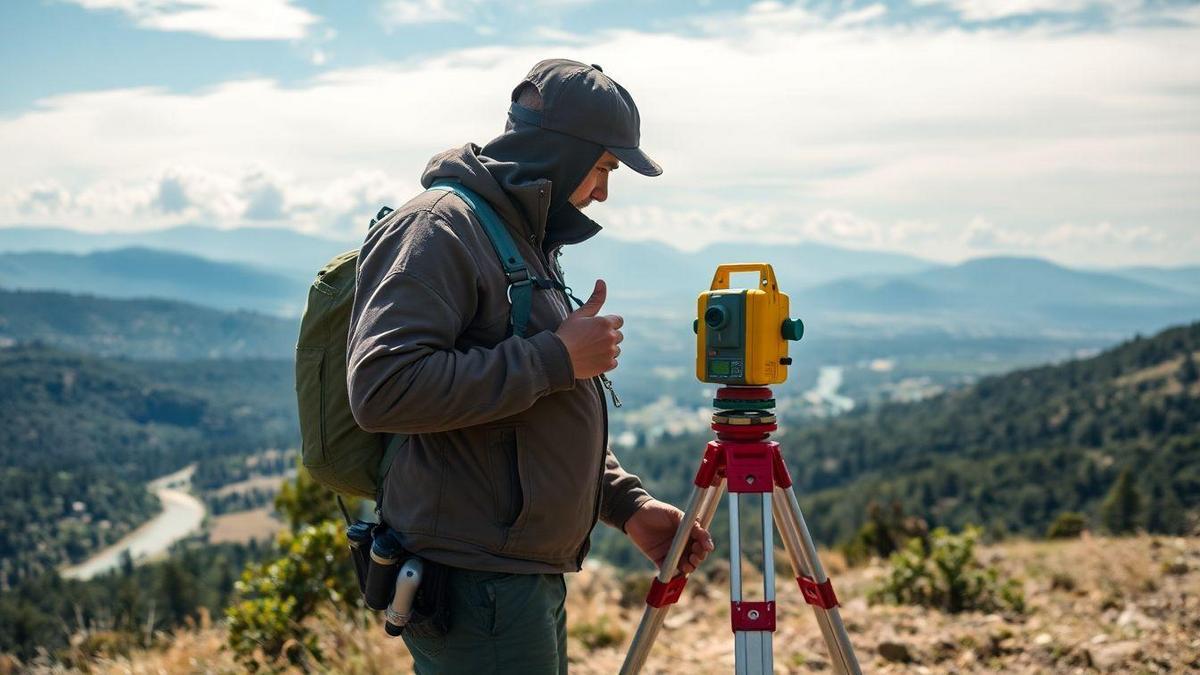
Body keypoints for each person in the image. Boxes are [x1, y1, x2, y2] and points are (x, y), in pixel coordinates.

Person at [346, 59, 713, 674]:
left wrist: (625, 504)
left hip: (512, 575)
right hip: (475, 584)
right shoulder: (441, 227)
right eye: (602, 168)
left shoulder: (519, 237)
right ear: (560, 155)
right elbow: (383, 389)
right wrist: (556, 357)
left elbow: (532, 418)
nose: (602, 192)